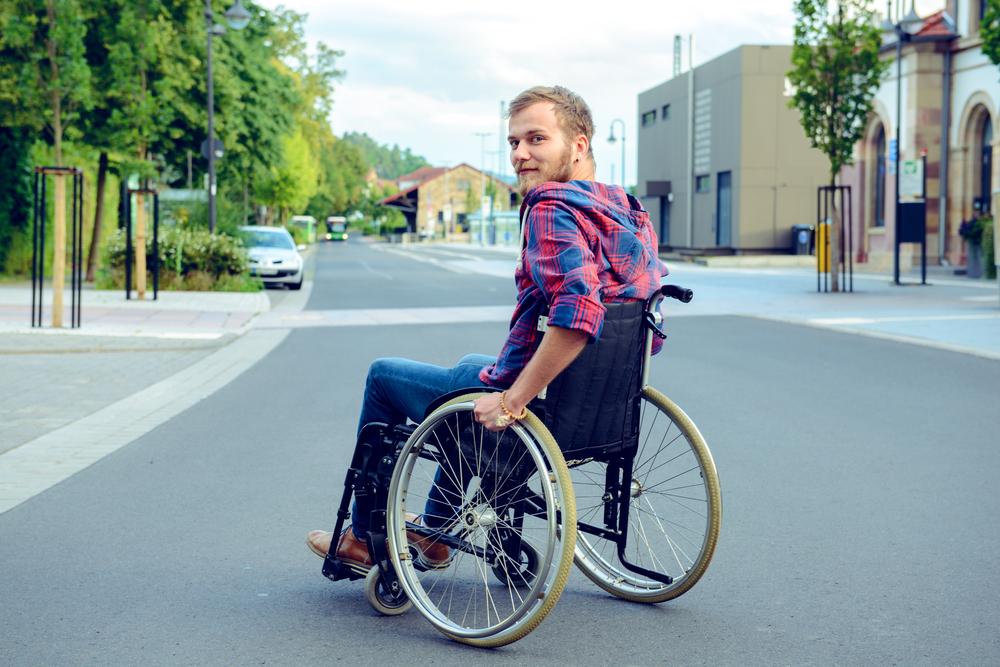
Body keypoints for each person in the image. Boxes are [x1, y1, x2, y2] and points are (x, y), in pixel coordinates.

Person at [306, 85, 667, 570]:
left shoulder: (551, 207)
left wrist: (513, 400)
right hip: (599, 408)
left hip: (542, 404)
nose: (520, 154)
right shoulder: (626, 209)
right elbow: (644, 328)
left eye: (536, 139)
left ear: (579, 145)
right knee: (473, 369)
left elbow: (579, 315)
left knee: (383, 375)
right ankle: (434, 531)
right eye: (514, 143)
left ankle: (365, 537)